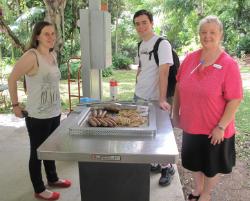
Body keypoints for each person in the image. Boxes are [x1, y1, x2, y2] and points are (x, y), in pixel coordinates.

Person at [172, 15, 243, 201]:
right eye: (203, 32)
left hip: (215, 129)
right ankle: (197, 189)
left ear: (220, 35)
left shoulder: (229, 64)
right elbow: (179, 85)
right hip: (192, 125)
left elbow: (235, 99)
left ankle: (206, 194)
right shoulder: (190, 59)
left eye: (212, 32)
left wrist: (221, 127)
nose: (207, 36)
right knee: (195, 163)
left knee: (212, 167)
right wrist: (175, 113)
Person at [8, 21, 71, 200]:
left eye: (53, 33)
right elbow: (12, 78)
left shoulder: (53, 55)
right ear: (37, 36)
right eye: (46, 34)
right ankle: (39, 189)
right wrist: (15, 105)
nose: (51, 37)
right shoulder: (31, 56)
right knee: (37, 152)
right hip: (38, 115)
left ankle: (53, 178)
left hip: (54, 112)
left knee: (50, 148)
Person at [133, 9, 175, 186]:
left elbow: (164, 72)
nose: (141, 27)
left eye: (144, 22)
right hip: (139, 96)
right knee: (145, 133)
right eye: (137, 24)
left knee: (161, 135)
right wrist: (137, 86)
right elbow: (141, 68)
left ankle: (167, 168)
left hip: (156, 98)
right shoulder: (140, 45)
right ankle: (155, 163)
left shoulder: (162, 43)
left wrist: (162, 99)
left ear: (151, 23)